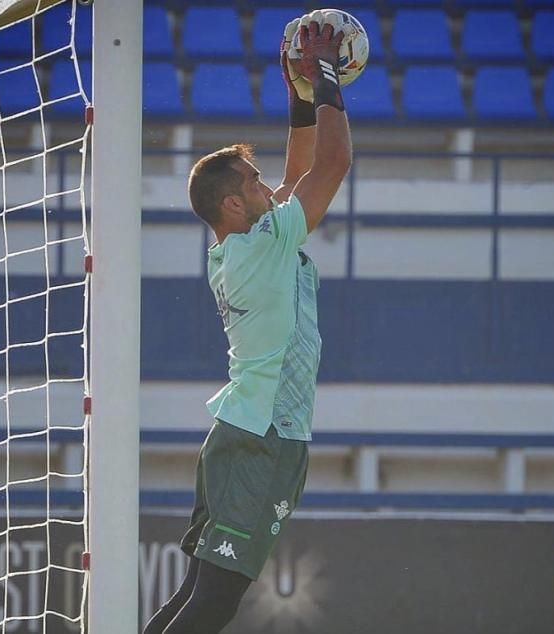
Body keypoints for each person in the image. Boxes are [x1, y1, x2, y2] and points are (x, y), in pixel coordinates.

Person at [142, 10, 353, 634]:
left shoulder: (240, 246)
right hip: (266, 436)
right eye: (256, 184)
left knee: (197, 594)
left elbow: (298, 173)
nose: (271, 189)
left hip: (241, 431)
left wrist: (300, 96)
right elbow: (331, 165)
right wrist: (325, 74)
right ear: (234, 203)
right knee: (213, 601)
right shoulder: (264, 245)